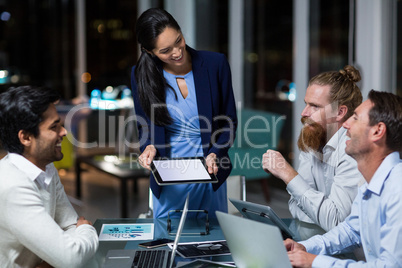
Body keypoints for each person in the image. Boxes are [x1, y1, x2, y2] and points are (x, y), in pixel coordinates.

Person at [131, 8, 237, 218]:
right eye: (165, 50)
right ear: (150, 52)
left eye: (178, 40)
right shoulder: (140, 75)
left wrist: (215, 153)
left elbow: (229, 122)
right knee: (168, 243)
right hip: (169, 176)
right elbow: (144, 124)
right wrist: (148, 147)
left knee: (213, 242)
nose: (177, 52)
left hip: (210, 169)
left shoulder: (215, 64)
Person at [285, 90, 402, 267]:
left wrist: (315, 262)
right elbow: (351, 231)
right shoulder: (370, 183)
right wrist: (303, 247)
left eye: (355, 118)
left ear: (378, 131)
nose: (345, 124)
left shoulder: (398, 188)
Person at [0, 86, 98, 268]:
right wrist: (87, 229)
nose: (63, 132)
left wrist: (58, 256)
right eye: (54, 127)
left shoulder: (45, 167)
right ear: (26, 137)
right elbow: (71, 258)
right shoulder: (13, 186)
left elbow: (68, 225)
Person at [262, 65, 364, 231]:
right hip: (316, 237)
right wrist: (320, 210)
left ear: (339, 112)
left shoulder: (352, 150)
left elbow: (336, 222)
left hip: (355, 253)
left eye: (315, 106)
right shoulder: (312, 138)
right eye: (306, 104)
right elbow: (296, 208)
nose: (304, 113)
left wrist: (288, 174)